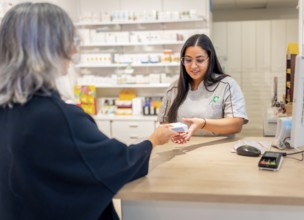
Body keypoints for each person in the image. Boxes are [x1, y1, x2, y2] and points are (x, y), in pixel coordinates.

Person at [0, 2, 177, 220]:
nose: (73, 51)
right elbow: (115, 164)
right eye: (68, 42)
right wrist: (153, 140)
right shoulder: (56, 117)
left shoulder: (9, 110)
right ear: (48, 48)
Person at [158, 34, 248, 144]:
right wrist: (173, 133)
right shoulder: (174, 89)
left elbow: (236, 124)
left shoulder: (226, 85)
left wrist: (203, 124)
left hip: (219, 150)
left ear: (210, 60)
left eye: (199, 60)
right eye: (188, 60)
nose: (193, 66)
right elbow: (164, 123)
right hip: (182, 149)